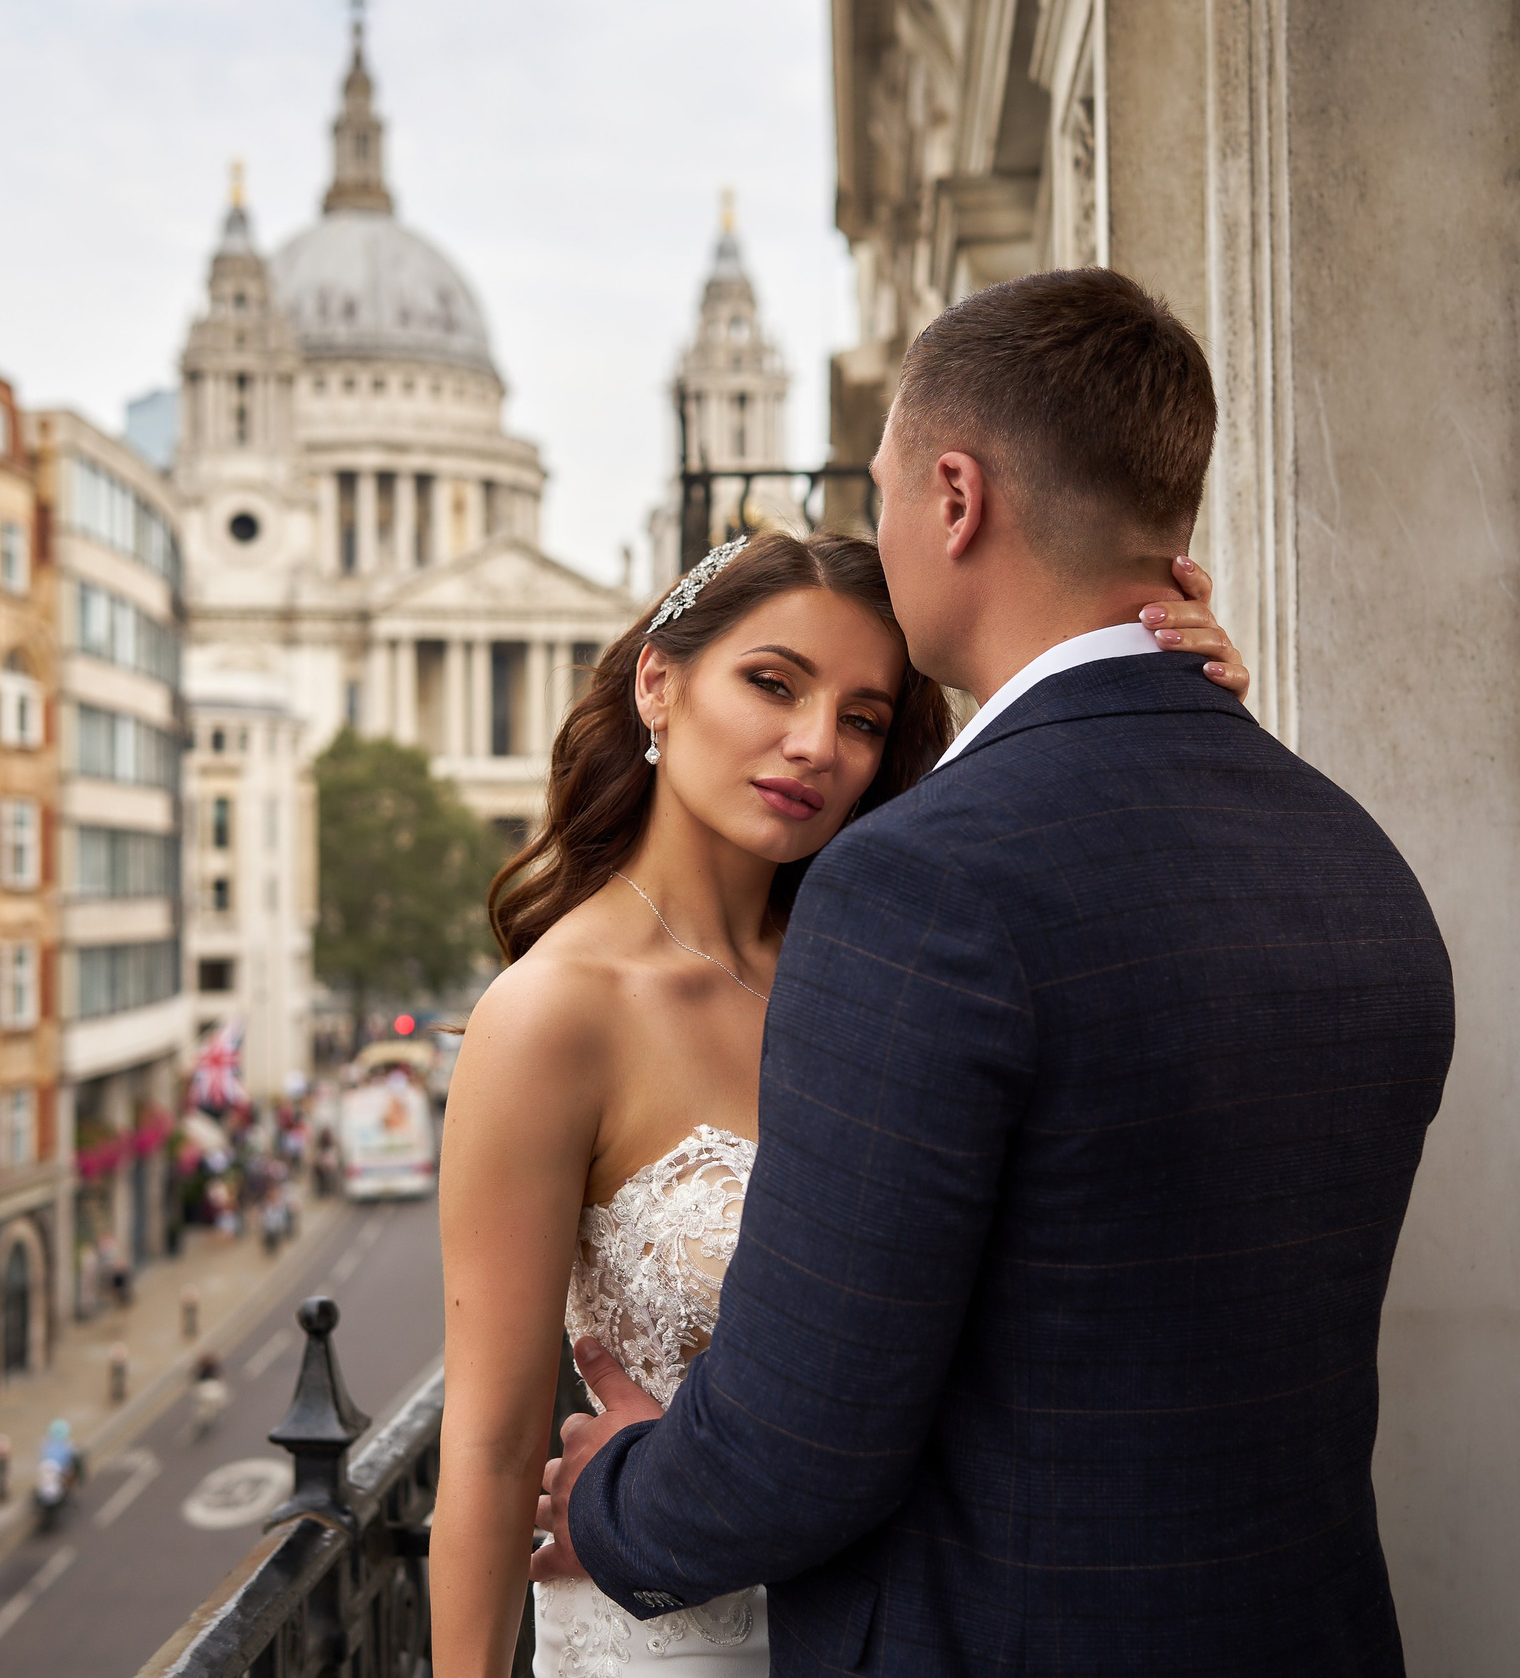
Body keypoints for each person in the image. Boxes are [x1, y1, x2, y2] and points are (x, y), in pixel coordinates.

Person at [512, 269, 1454, 1675]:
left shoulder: (922, 887)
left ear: (954, 500)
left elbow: (796, 1450)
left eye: (885, 489)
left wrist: (613, 1497)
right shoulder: (1349, 855)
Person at [427, 355, 1262, 1672]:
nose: (820, 742)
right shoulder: (551, 1018)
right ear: (661, 685)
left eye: (865, 716)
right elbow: (482, 1449)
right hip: (672, 1642)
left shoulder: (892, 956)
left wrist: (1170, 718)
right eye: (773, 683)